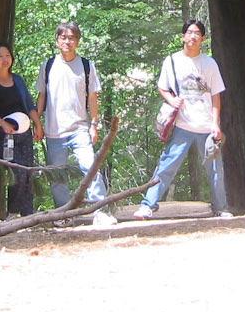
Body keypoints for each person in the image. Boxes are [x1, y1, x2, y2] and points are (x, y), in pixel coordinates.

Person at [134, 20, 232, 219]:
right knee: (167, 166)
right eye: (189, 32)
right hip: (182, 124)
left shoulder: (209, 63)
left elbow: (215, 95)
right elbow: (162, 86)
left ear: (203, 39)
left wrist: (215, 123)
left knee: (215, 169)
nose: (193, 36)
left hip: (206, 126)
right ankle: (148, 205)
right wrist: (172, 99)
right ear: (183, 36)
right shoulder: (172, 61)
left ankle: (221, 207)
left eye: (197, 33)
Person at [36, 22, 118, 227]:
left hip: (80, 128)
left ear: (78, 41)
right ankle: (63, 214)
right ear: (57, 41)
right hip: (54, 131)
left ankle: (100, 210)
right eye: (63, 37)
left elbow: (92, 97)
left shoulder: (86, 66)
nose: (67, 41)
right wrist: (36, 123)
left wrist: (94, 124)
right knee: (57, 175)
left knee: (90, 167)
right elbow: (41, 96)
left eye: (71, 37)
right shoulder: (48, 66)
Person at [0, 41, 43, 217]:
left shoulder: (18, 80)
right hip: (3, 136)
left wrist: (38, 124)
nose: (5, 60)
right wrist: (1, 123)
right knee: (16, 172)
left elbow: (28, 104)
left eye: (7, 56)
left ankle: (27, 213)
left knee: (28, 172)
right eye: (0, 56)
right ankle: (11, 212)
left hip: (24, 134)